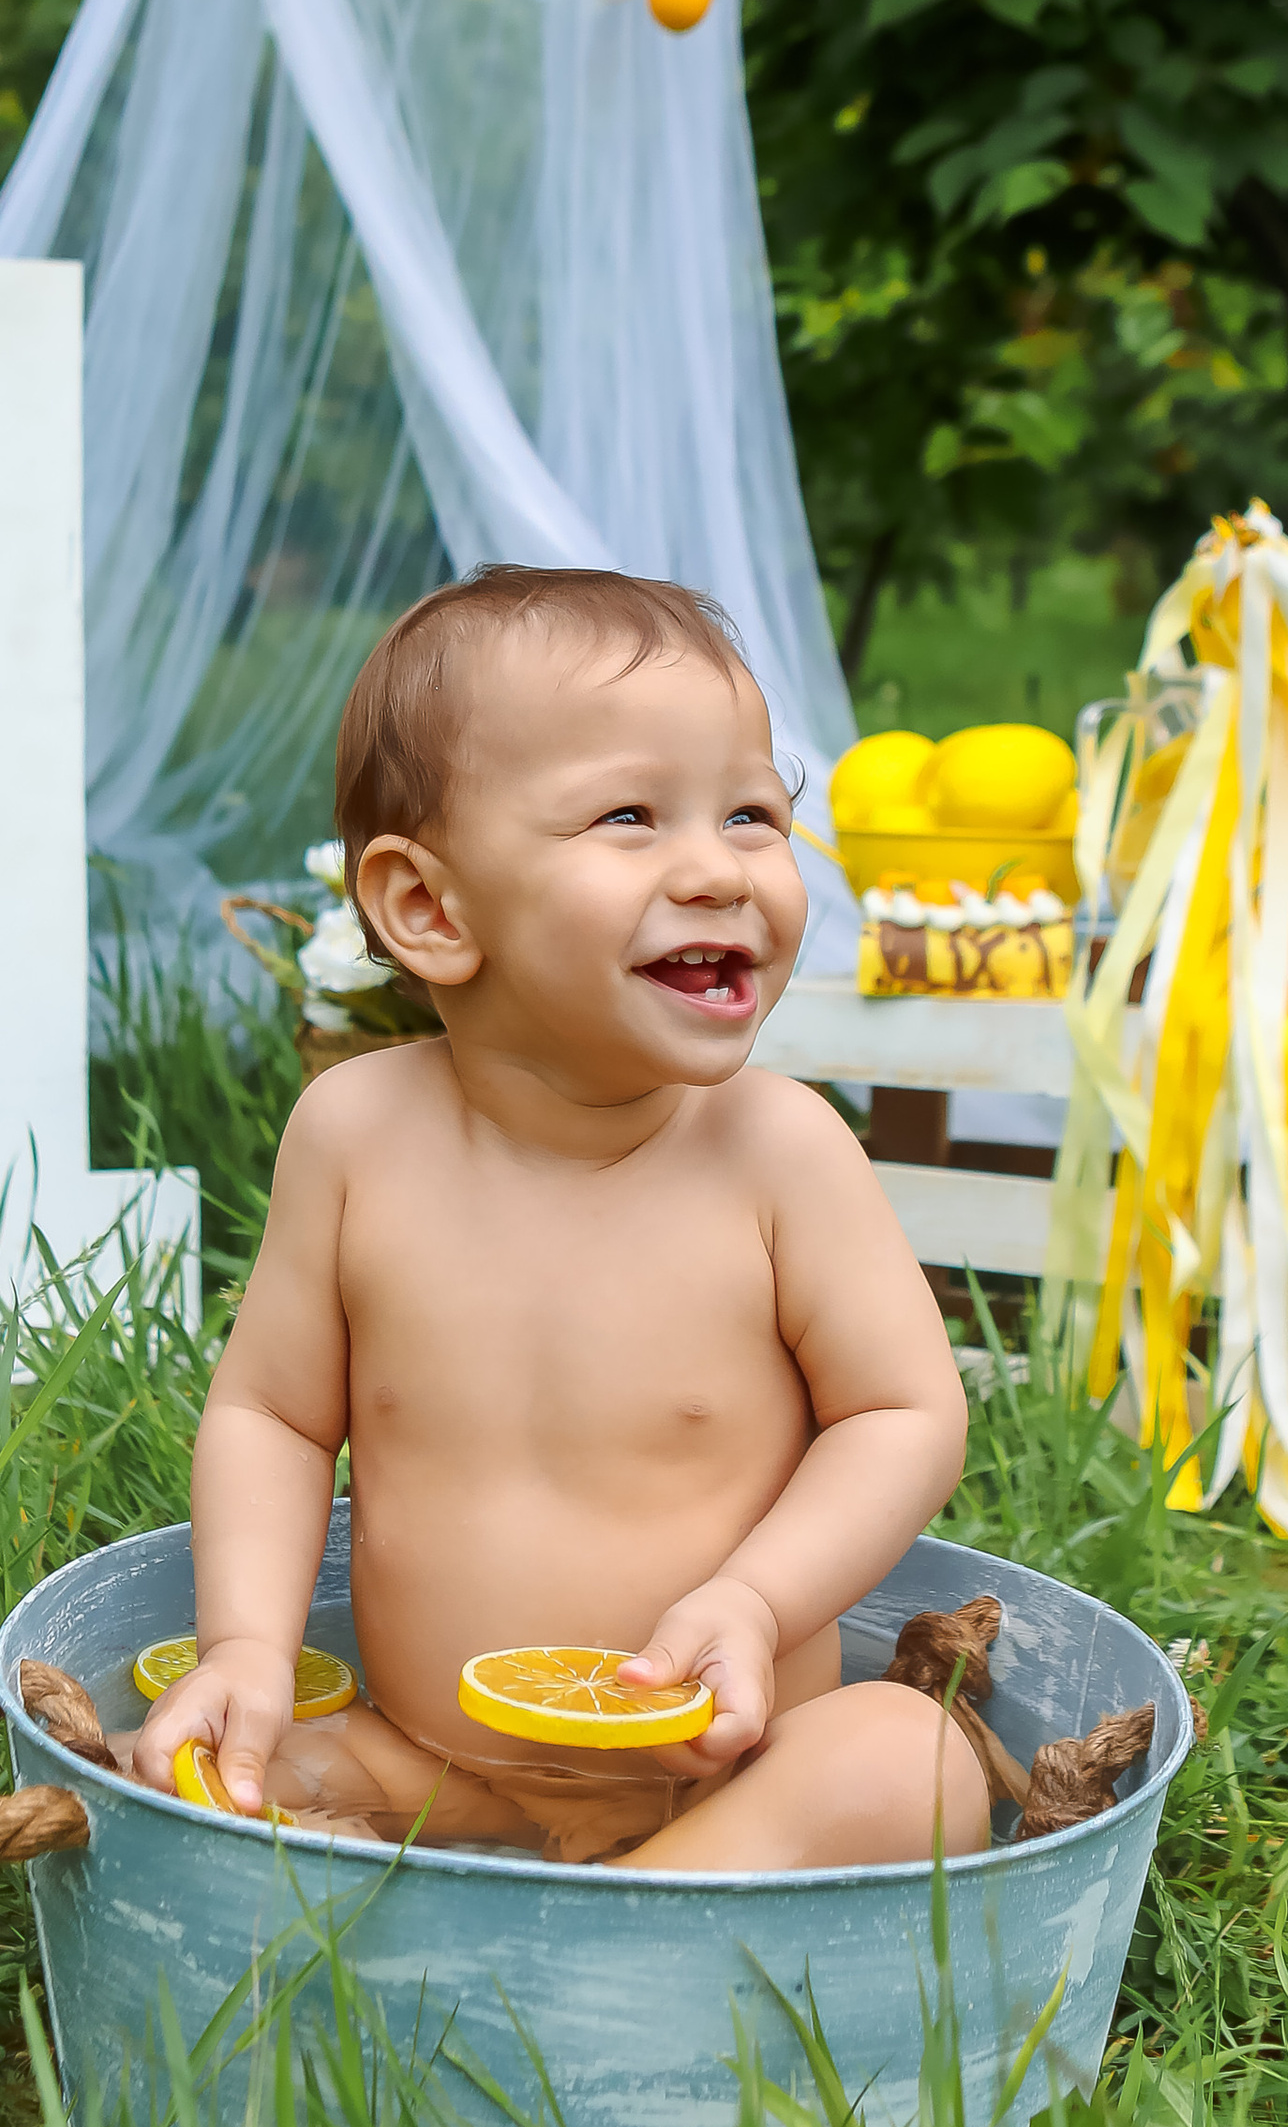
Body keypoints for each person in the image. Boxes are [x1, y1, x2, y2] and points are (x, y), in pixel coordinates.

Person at [128, 566, 990, 1868]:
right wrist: (247, 1644)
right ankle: (609, 1937)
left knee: (909, 1762)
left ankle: (615, 1936)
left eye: (754, 813)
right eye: (632, 816)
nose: (719, 868)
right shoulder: (356, 1138)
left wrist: (758, 1601)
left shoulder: (782, 1153)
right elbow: (273, 1414)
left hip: (727, 1770)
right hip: (432, 1764)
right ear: (429, 908)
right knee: (209, 1769)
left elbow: (905, 1413)